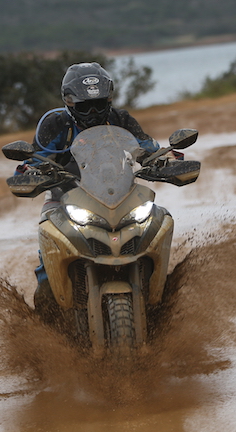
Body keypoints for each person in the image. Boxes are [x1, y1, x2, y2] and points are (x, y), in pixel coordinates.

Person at [15, 62, 164, 312]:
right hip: (65, 197)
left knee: (156, 227)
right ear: (70, 102)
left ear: (110, 99)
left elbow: (148, 147)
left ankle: (159, 298)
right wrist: (29, 172)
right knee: (48, 254)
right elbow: (34, 159)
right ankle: (50, 314)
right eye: (85, 106)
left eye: (100, 103)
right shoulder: (55, 124)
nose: (93, 111)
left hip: (121, 195)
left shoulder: (121, 119)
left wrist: (165, 159)